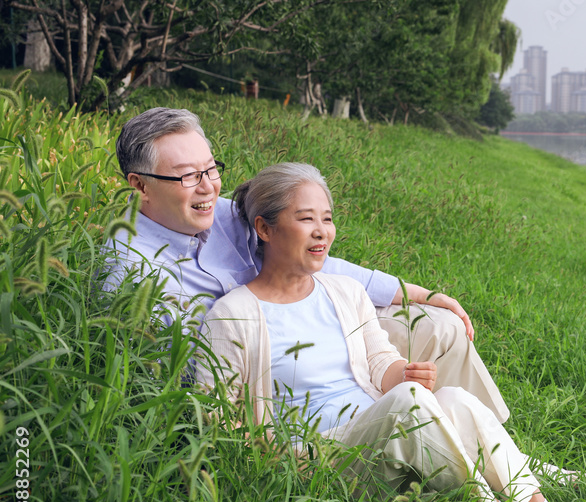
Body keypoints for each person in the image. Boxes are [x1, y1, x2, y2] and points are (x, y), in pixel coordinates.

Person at [196, 163, 583, 502]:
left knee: (455, 400)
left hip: (383, 435)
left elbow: (380, 361)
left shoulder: (344, 292)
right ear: (265, 229)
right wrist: (276, 462)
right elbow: (219, 419)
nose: (322, 231)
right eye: (306, 219)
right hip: (317, 462)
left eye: (327, 219)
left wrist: (405, 373)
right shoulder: (232, 315)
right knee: (408, 402)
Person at [103, 107, 509, 423]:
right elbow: (187, 373)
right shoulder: (128, 269)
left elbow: (317, 263)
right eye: (189, 176)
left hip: (311, 324)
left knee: (440, 326)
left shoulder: (227, 215)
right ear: (140, 185)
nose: (209, 186)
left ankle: (499, 449)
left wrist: (425, 295)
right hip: (270, 374)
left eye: (211, 169)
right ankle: (454, 449)